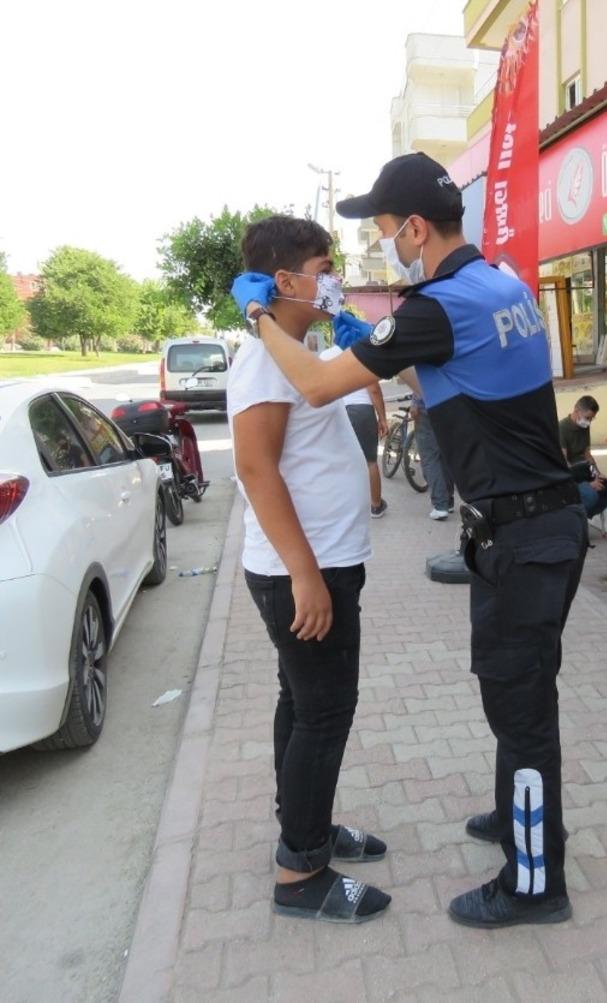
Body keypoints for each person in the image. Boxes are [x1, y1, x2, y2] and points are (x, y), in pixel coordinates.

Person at [231, 152, 587, 929]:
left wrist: (259, 317)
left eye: (386, 228)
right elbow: (459, 379)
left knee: (522, 710)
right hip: (542, 525)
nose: (383, 242)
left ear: (417, 228)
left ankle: (535, 880)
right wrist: (381, 352)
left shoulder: (433, 306)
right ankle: (511, 812)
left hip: (522, 535)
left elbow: (321, 385)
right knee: (518, 695)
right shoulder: (503, 285)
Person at [227, 216, 390, 925]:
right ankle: (302, 873)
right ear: (285, 280)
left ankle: (306, 826)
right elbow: (256, 468)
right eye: (326, 268)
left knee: (301, 703)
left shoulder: (298, 346)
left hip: (324, 558)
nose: (336, 280)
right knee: (325, 711)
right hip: (306, 567)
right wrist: (304, 573)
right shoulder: (266, 358)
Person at [318, 326, 389, 518]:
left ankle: (344, 506)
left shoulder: (325, 355)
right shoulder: (361, 353)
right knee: (370, 460)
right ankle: (375, 505)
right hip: (361, 410)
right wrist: (382, 418)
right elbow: (373, 388)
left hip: (336, 410)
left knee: (339, 460)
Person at [559, 395, 607, 519]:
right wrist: (588, 484)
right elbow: (564, 463)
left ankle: (583, 515)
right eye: (587, 418)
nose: (589, 422)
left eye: (592, 419)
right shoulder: (562, 428)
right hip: (570, 479)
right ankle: (575, 520)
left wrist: (597, 474)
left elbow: (587, 455)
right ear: (576, 411)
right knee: (592, 495)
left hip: (584, 473)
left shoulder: (584, 426)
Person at [410, 388, 456, 520]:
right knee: (444, 454)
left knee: (430, 458)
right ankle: (448, 501)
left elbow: (417, 374)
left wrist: (414, 403)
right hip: (448, 404)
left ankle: (440, 506)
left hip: (426, 406)